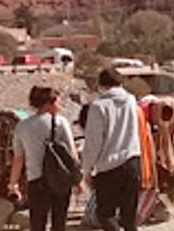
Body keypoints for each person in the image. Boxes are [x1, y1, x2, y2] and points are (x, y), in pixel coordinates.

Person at [8, 86, 78, 231]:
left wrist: (13, 184)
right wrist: (78, 178)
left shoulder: (23, 126)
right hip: (61, 179)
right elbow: (72, 153)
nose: (61, 105)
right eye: (58, 102)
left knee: (37, 223)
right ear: (47, 104)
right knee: (59, 223)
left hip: (36, 180)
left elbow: (18, 158)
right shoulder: (60, 122)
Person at [82, 68, 141, 231]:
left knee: (105, 214)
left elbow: (93, 142)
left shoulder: (98, 106)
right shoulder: (131, 100)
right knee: (129, 216)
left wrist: (87, 169)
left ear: (101, 84)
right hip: (132, 160)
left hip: (109, 166)